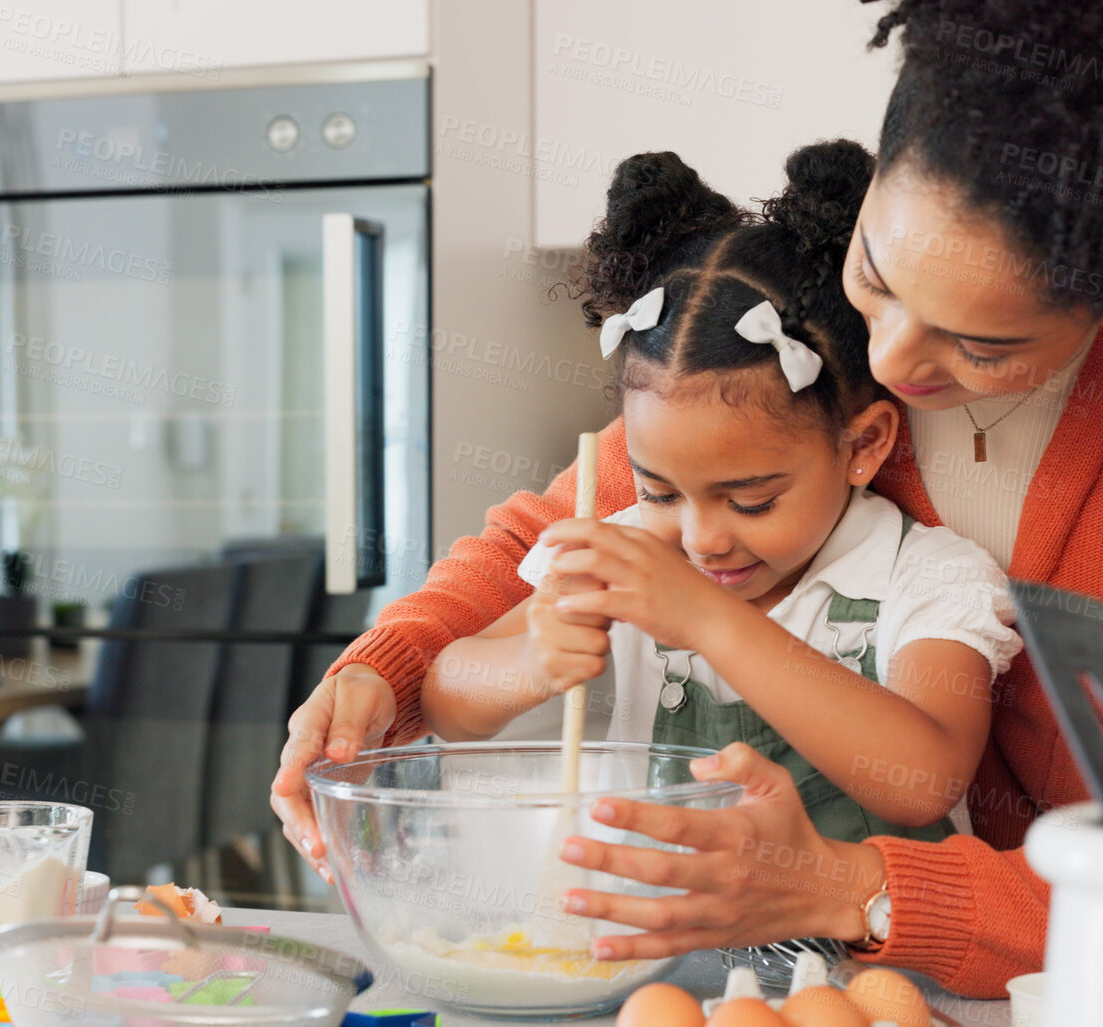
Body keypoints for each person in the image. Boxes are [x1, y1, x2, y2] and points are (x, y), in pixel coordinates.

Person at [273, 0, 1103, 998]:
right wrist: (385, 669)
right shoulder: (807, 341)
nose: (897, 359)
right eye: (878, 272)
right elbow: (559, 529)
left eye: (982, 341)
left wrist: (842, 884)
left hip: (1086, 973)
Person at [422, 143, 1022, 845]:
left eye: (750, 500)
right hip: (661, 946)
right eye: (659, 491)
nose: (701, 538)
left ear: (862, 446)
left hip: (860, 952)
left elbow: (923, 781)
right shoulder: (619, 555)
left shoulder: (925, 576)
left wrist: (708, 620)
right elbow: (446, 702)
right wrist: (528, 663)